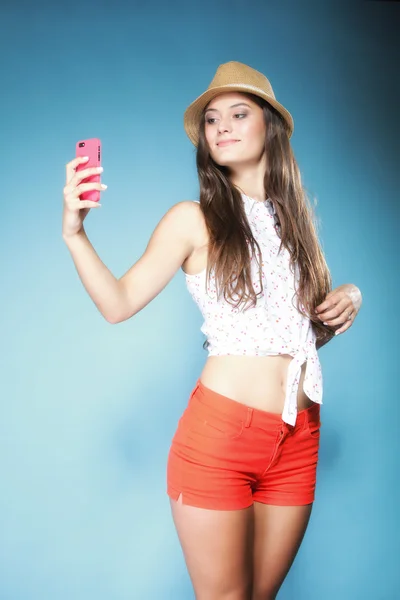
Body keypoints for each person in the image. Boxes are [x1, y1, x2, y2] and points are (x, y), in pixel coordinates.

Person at [62, 61, 362, 600]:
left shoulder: (297, 225)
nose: (221, 126)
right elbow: (118, 303)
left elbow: (297, 337)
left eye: (238, 113)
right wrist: (75, 234)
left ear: (270, 126)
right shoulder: (192, 219)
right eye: (212, 120)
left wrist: (348, 301)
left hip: (300, 437)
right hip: (221, 438)